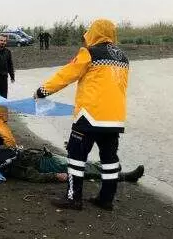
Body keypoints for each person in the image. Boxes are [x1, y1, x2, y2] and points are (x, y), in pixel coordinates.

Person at [34, 18, 129, 211]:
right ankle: (106, 199)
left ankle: (73, 198)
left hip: (89, 116)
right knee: (110, 160)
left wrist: (42, 91)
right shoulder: (123, 57)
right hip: (114, 119)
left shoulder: (89, 53)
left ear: (95, 33)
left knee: (76, 156)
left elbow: (67, 74)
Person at [4, 147, 144, 184]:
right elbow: (33, 176)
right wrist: (55, 176)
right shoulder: (12, 167)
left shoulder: (5, 157)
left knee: (83, 164)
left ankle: (108, 167)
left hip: (48, 158)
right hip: (50, 166)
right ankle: (124, 176)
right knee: (85, 171)